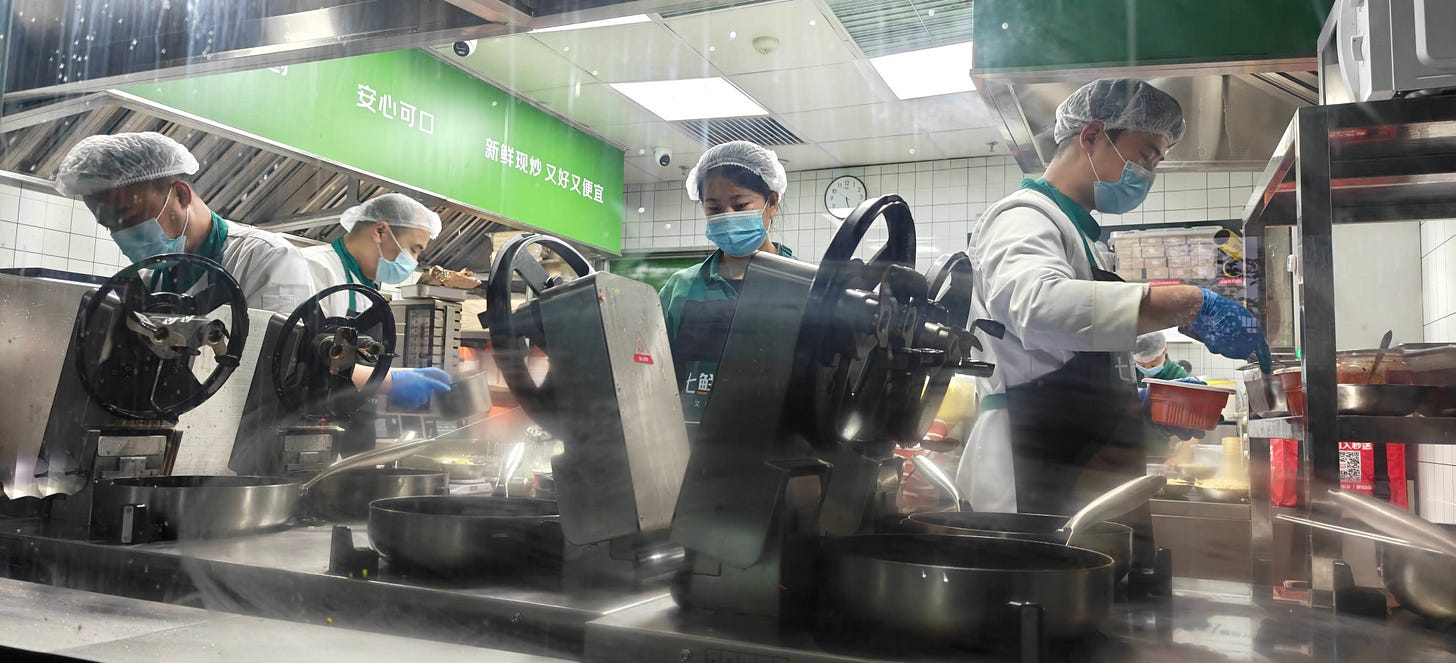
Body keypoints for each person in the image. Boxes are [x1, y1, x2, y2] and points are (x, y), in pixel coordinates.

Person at [954, 79, 1271, 543]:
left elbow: (1077, 349)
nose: (1148, 175)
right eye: (1146, 156)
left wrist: (1140, 404)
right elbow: (1038, 308)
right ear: (1091, 135)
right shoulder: (1023, 218)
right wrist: (1189, 303)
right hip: (1032, 458)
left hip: (1079, 452)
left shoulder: (1083, 238)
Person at [55, 131, 313, 314]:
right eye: (110, 226)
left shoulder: (266, 258)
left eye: (129, 217)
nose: (123, 234)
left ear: (180, 195)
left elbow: (269, 361)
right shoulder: (148, 281)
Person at [658, 141, 793, 422]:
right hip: (689, 439)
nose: (728, 217)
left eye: (740, 205)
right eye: (714, 208)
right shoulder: (680, 288)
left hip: (779, 442)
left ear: (772, 202)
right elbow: (652, 374)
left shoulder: (803, 285)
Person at [300, 193, 452, 411]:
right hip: (303, 415)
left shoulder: (368, 288)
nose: (414, 261)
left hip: (342, 415)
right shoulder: (311, 267)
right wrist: (389, 382)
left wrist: (402, 374)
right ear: (380, 232)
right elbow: (299, 356)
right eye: (414, 249)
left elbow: (356, 359)